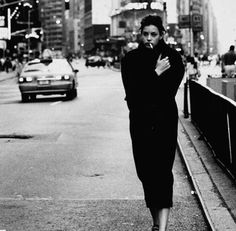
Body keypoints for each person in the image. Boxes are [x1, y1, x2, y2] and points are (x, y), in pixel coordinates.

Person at [121, 15, 185, 231]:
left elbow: (166, 94)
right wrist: (155, 73)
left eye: (154, 34)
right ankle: (156, 222)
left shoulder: (173, 59)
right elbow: (133, 95)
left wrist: (149, 81)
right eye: (146, 34)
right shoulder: (130, 59)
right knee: (146, 174)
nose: (149, 38)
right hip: (140, 124)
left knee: (163, 173)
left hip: (164, 122)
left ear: (162, 35)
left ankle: (162, 228)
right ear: (140, 34)